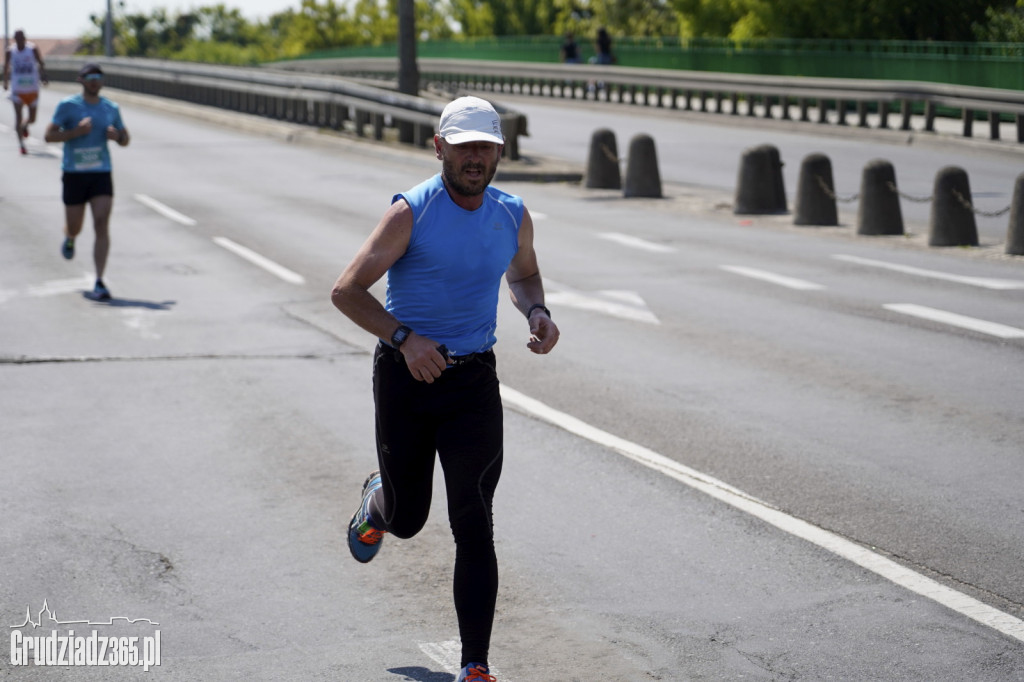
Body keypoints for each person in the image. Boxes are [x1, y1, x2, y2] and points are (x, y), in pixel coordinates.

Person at [331, 95, 559, 682]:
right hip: (407, 379)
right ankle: (379, 500)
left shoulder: (512, 214)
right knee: (408, 520)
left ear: (500, 151)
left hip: (473, 382)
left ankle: (474, 665)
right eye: (463, 148)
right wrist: (406, 339)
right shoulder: (411, 212)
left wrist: (536, 311)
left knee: (474, 518)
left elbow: (524, 271)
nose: (475, 158)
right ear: (439, 148)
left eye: (486, 146)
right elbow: (347, 291)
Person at [45, 63, 130, 301]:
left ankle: (100, 281)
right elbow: (49, 135)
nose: (94, 81)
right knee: (75, 226)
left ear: (102, 82)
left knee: (101, 224)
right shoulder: (68, 106)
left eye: (98, 77)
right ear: (80, 80)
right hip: (74, 173)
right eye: (90, 77)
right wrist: (74, 133)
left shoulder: (110, 108)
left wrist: (118, 136)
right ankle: (70, 237)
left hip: (100, 173)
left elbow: (125, 139)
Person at [3, 29, 48, 155]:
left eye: (21, 37)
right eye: (16, 37)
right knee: (18, 117)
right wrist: (5, 82)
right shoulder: (10, 51)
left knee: (33, 118)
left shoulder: (32, 49)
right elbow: (6, 67)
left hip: (32, 88)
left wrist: (44, 76)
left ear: (24, 38)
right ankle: (21, 145)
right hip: (17, 90)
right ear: (14, 39)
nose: (19, 40)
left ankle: (25, 126)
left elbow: (40, 63)